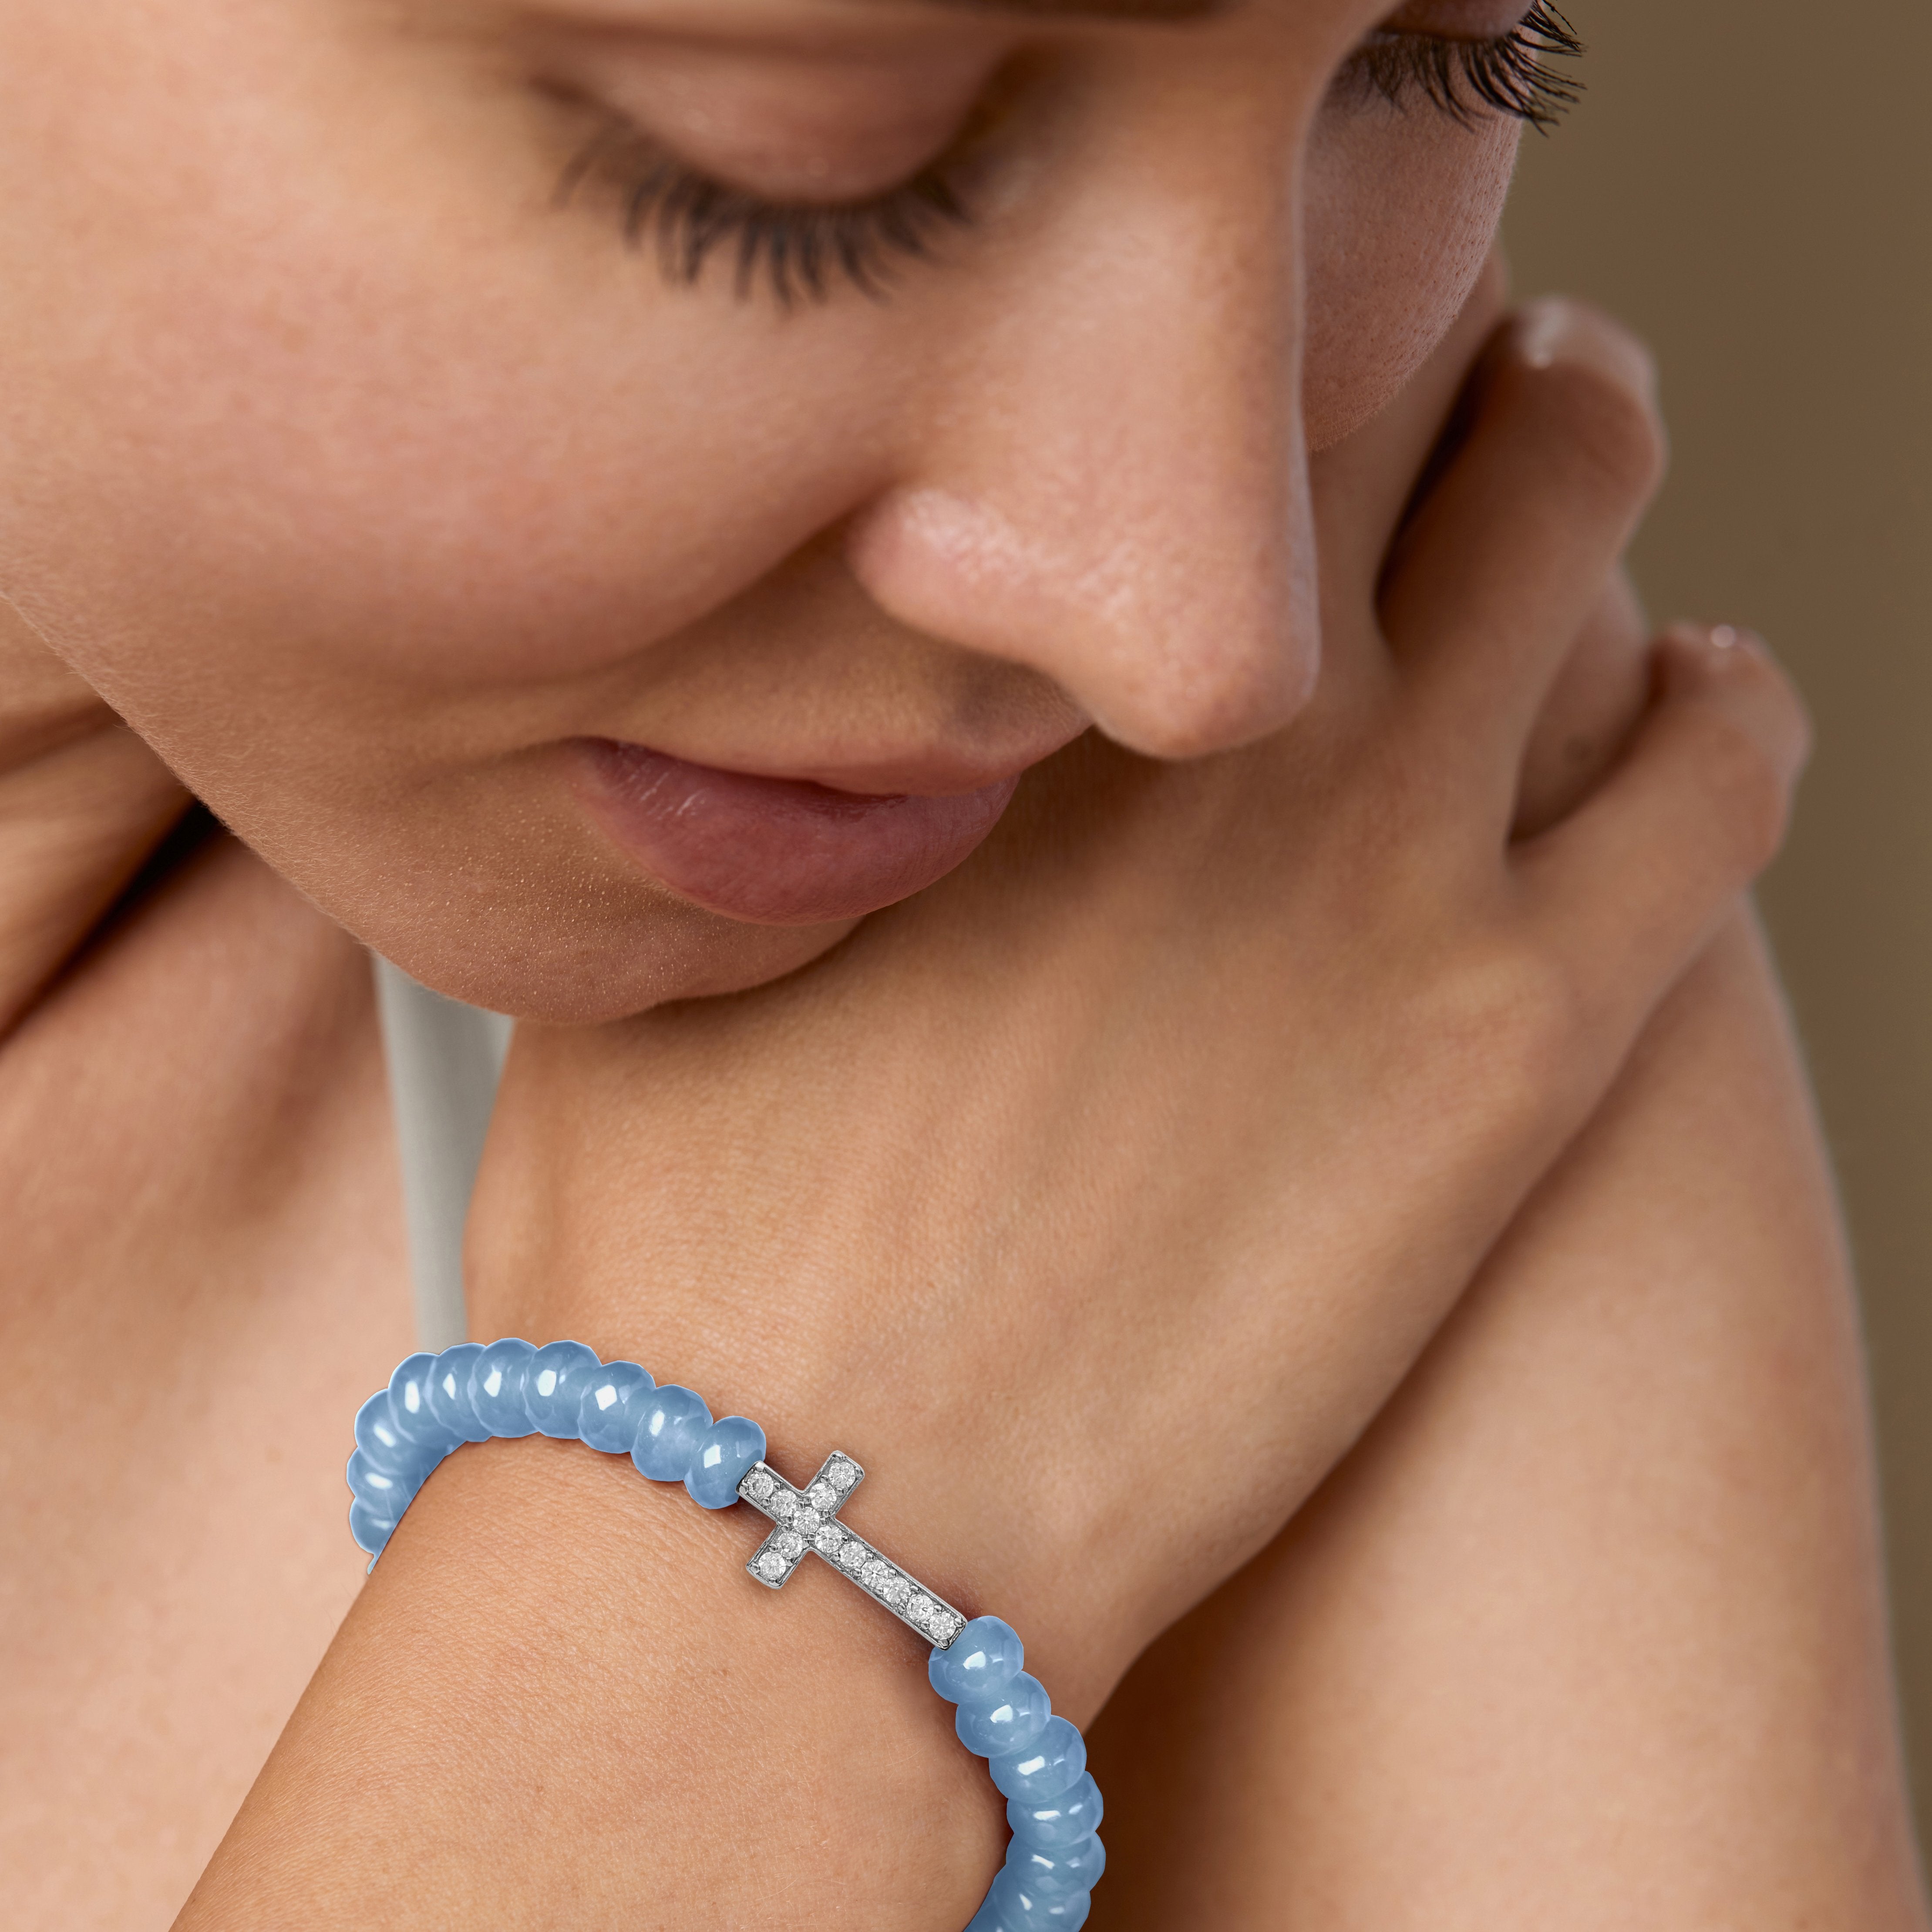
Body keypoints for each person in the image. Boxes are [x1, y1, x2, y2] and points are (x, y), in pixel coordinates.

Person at [0, 0, 1919, 1927]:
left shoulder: (1328, 875)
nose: (1205, 648)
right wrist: (716, 1586)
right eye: (806, 165)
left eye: (1441, 61)